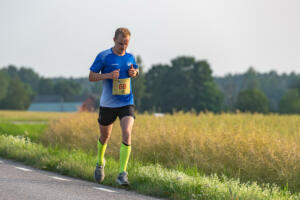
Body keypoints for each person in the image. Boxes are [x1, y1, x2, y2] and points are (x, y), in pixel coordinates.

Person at [88, 27, 139, 186]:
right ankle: (99, 162)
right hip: (108, 105)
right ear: (114, 40)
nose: (123, 46)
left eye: (126, 43)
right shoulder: (104, 56)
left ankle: (122, 173)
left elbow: (135, 70)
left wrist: (134, 73)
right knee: (105, 137)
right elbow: (91, 76)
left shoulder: (130, 57)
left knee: (127, 132)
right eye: (120, 43)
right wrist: (108, 75)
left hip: (126, 102)